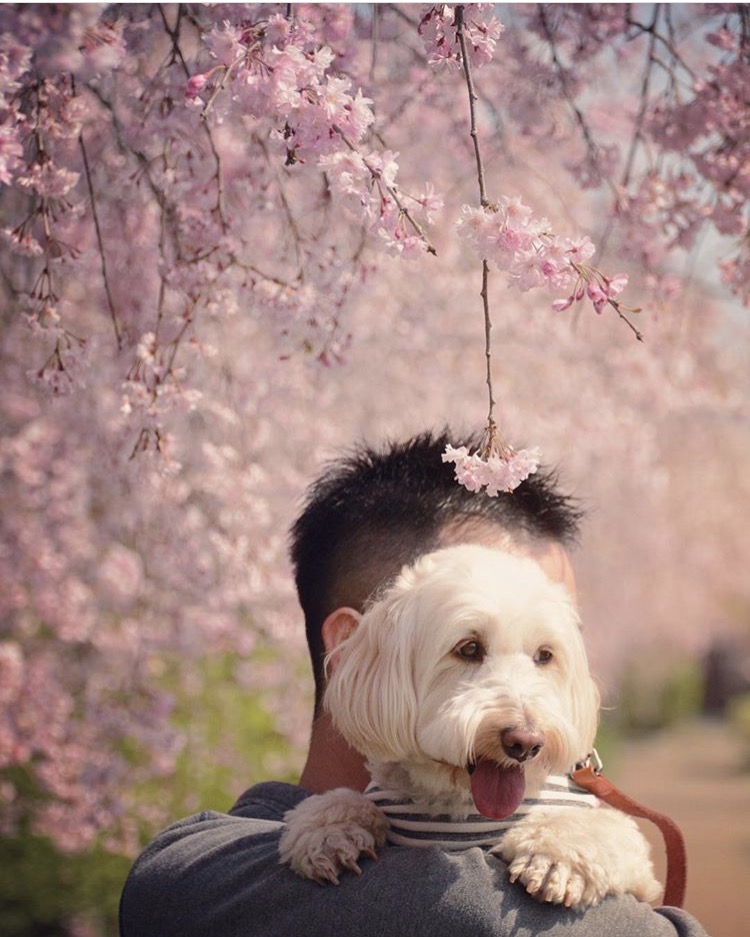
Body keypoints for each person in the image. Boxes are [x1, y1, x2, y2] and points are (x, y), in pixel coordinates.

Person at [120, 430, 710, 937]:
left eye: (545, 653)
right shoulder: (195, 877)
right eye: (470, 649)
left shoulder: (197, 881)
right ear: (354, 652)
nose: (528, 717)